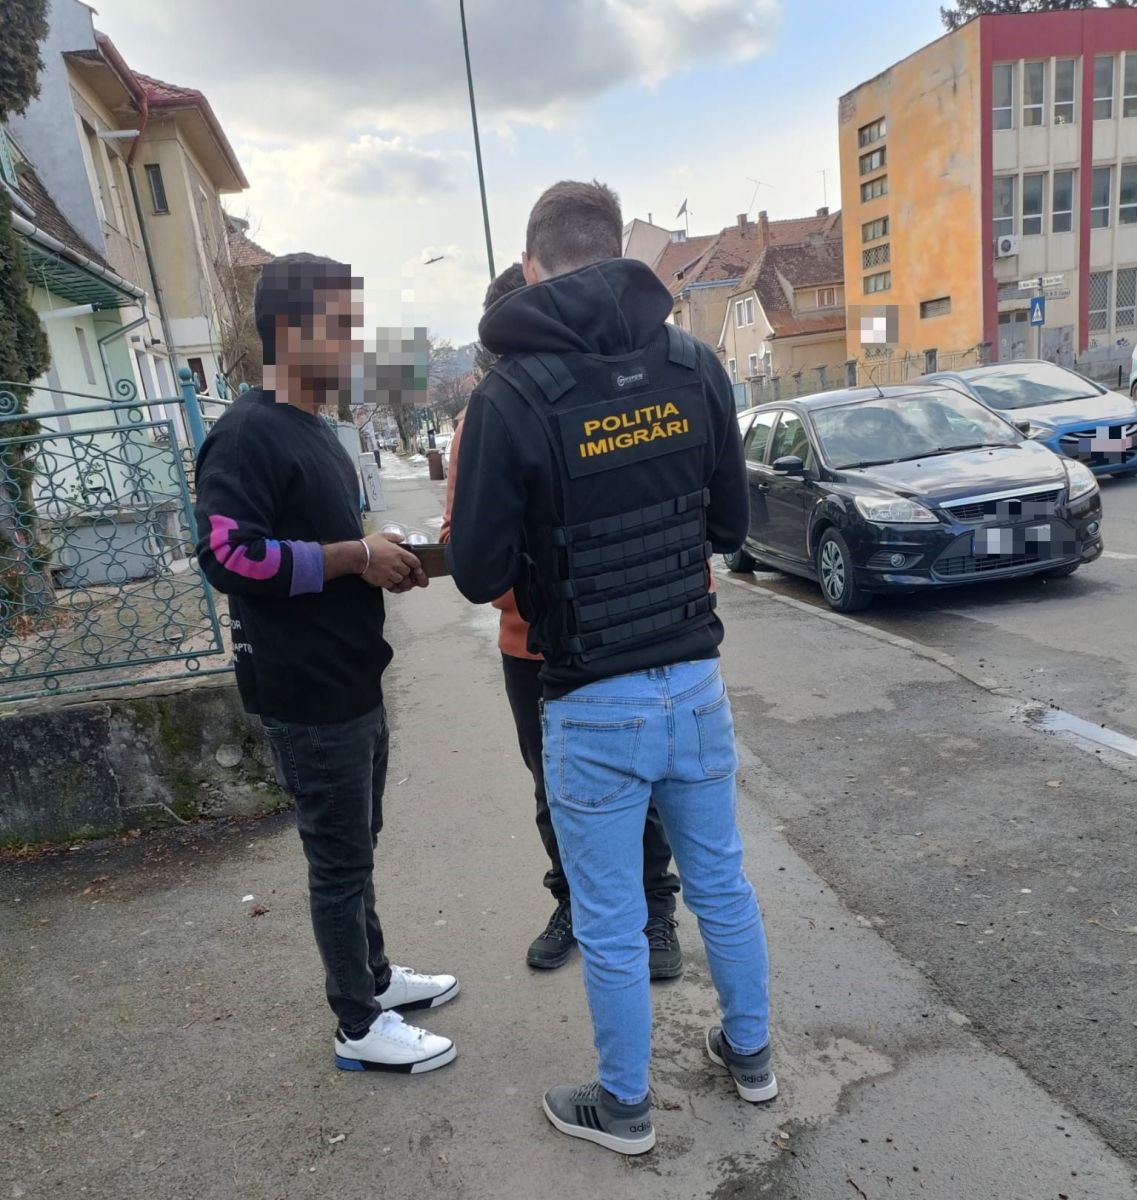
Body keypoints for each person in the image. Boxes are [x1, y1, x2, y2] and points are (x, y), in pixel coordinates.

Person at [448, 182, 776, 1154]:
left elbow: (476, 573)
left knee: (609, 915)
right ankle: (752, 1057)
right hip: (694, 681)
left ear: (531, 265)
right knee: (721, 885)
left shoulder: (510, 395)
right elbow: (731, 527)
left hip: (590, 700)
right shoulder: (693, 364)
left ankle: (625, 1107)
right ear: (618, 250)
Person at [194, 253, 459, 1076]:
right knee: (338, 860)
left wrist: (383, 557)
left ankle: (372, 977)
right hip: (305, 688)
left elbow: (323, 548)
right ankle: (357, 1023)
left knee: (357, 844)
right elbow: (227, 556)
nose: (353, 344)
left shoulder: (316, 430)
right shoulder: (247, 432)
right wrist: (352, 556)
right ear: (290, 330)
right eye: (340, 326)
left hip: (352, 675)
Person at [441, 264, 683, 978]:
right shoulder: (486, 417)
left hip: (625, 636)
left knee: (642, 782)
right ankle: (573, 902)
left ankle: (655, 910)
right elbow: (463, 542)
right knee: (552, 787)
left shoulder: (626, 392)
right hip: (533, 648)